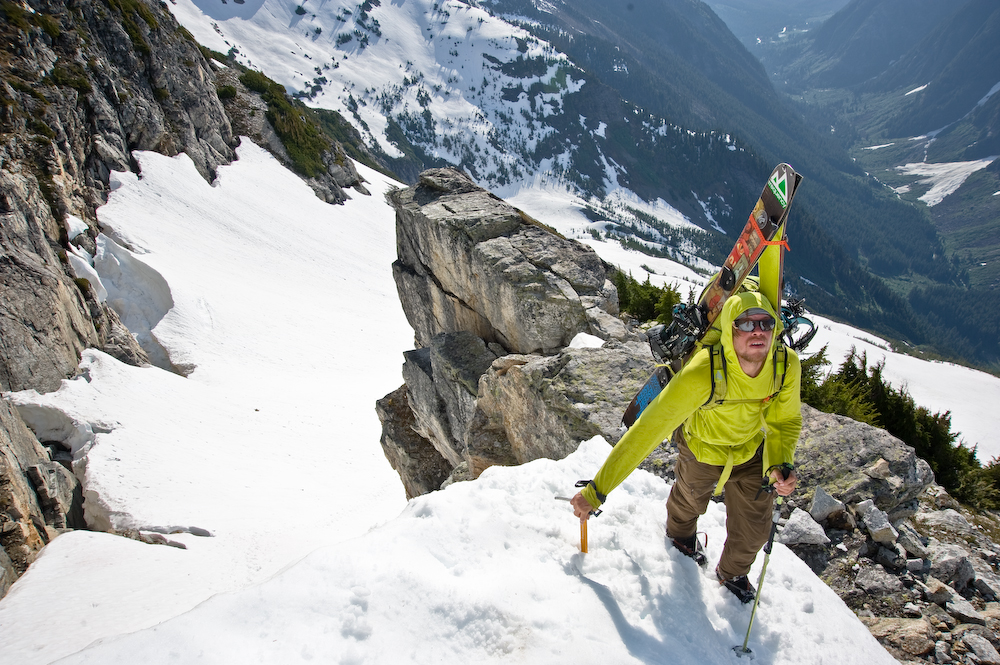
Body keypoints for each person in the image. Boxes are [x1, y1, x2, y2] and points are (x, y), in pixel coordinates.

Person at [569, 289, 801, 603]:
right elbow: (646, 432)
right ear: (729, 328)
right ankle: (681, 537)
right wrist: (596, 490)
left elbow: (784, 421)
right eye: (745, 324)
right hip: (701, 448)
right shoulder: (702, 373)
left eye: (765, 324)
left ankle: (732, 572)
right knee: (689, 503)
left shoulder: (784, 365)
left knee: (755, 532)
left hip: (751, 452)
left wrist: (779, 463)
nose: (757, 331)